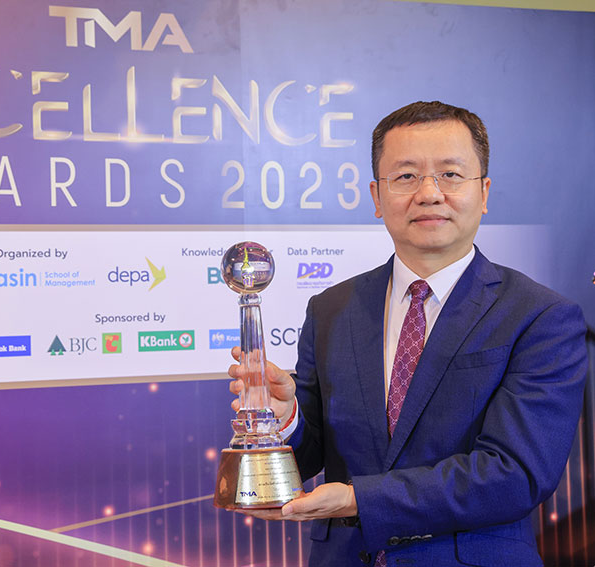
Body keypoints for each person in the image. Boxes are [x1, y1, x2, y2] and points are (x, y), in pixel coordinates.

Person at [228, 101, 589, 566]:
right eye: (406, 176)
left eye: (451, 175)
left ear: (484, 192)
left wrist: (358, 499)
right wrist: (286, 416)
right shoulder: (331, 308)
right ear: (377, 197)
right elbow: (312, 451)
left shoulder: (541, 316)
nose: (429, 193)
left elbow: (515, 474)